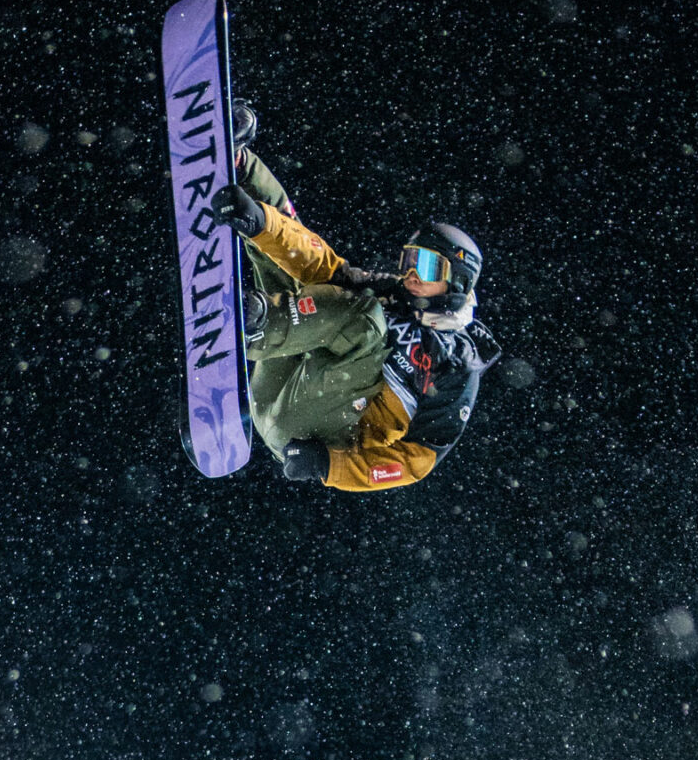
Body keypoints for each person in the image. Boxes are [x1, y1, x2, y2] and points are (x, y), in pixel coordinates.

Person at [209, 131, 499, 492]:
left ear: (456, 283)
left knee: (365, 320)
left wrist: (330, 466)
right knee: (299, 269)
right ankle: (240, 167)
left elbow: (417, 460)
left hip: (307, 429)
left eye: (425, 266)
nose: (410, 274)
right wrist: (262, 222)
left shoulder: (456, 364)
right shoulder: (394, 292)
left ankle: (254, 324)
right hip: (281, 383)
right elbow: (322, 265)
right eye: (408, 259)